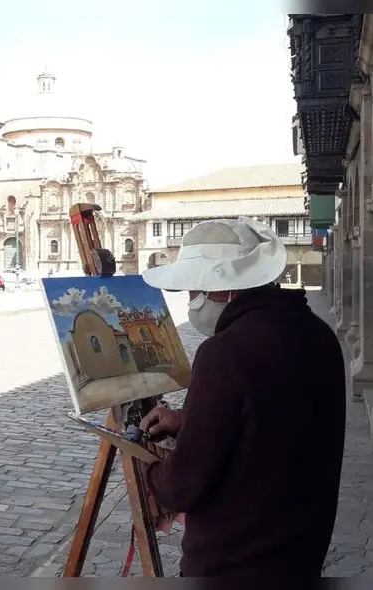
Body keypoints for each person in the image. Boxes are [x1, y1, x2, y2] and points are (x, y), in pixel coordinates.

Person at [138, 217, 346, 580]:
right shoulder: (319, 334)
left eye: (195, 290)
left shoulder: (224, 352)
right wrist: (188, 421)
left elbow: (185, 484)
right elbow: (274, 420)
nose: (191, 301)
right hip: (301, 551)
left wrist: (149, 471)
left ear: (224, 288)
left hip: (234, 561)